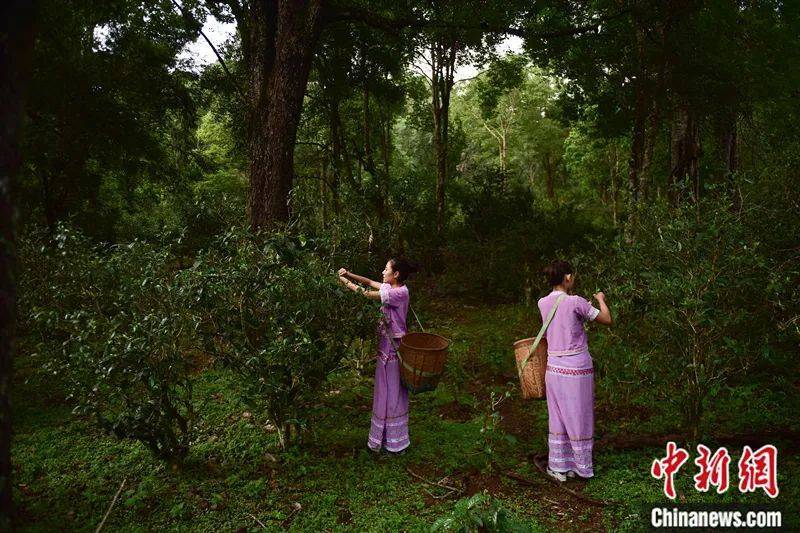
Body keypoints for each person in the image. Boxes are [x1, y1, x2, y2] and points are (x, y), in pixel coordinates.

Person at [538, 260, 612, 481]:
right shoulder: (577, 302)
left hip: (554, 368)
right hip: (577, 368)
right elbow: (606, 319)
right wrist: (600, 300)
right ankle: (581, 467)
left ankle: (560, 467)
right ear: (568, 278)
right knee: (579, 415)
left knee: (558, 416)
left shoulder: (542, 302)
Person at [338, 258, 417, 454]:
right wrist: (349, 274)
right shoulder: (390, 288)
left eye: (386, 269)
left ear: (396, 274)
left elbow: (365, 293)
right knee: (384, 391)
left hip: (394, 348)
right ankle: (382, 439)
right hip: (386, 347)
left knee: (393, 394)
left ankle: (395, 443)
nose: (383, 272)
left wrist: (342, 281)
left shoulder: (399, 293)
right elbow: (369, 282)